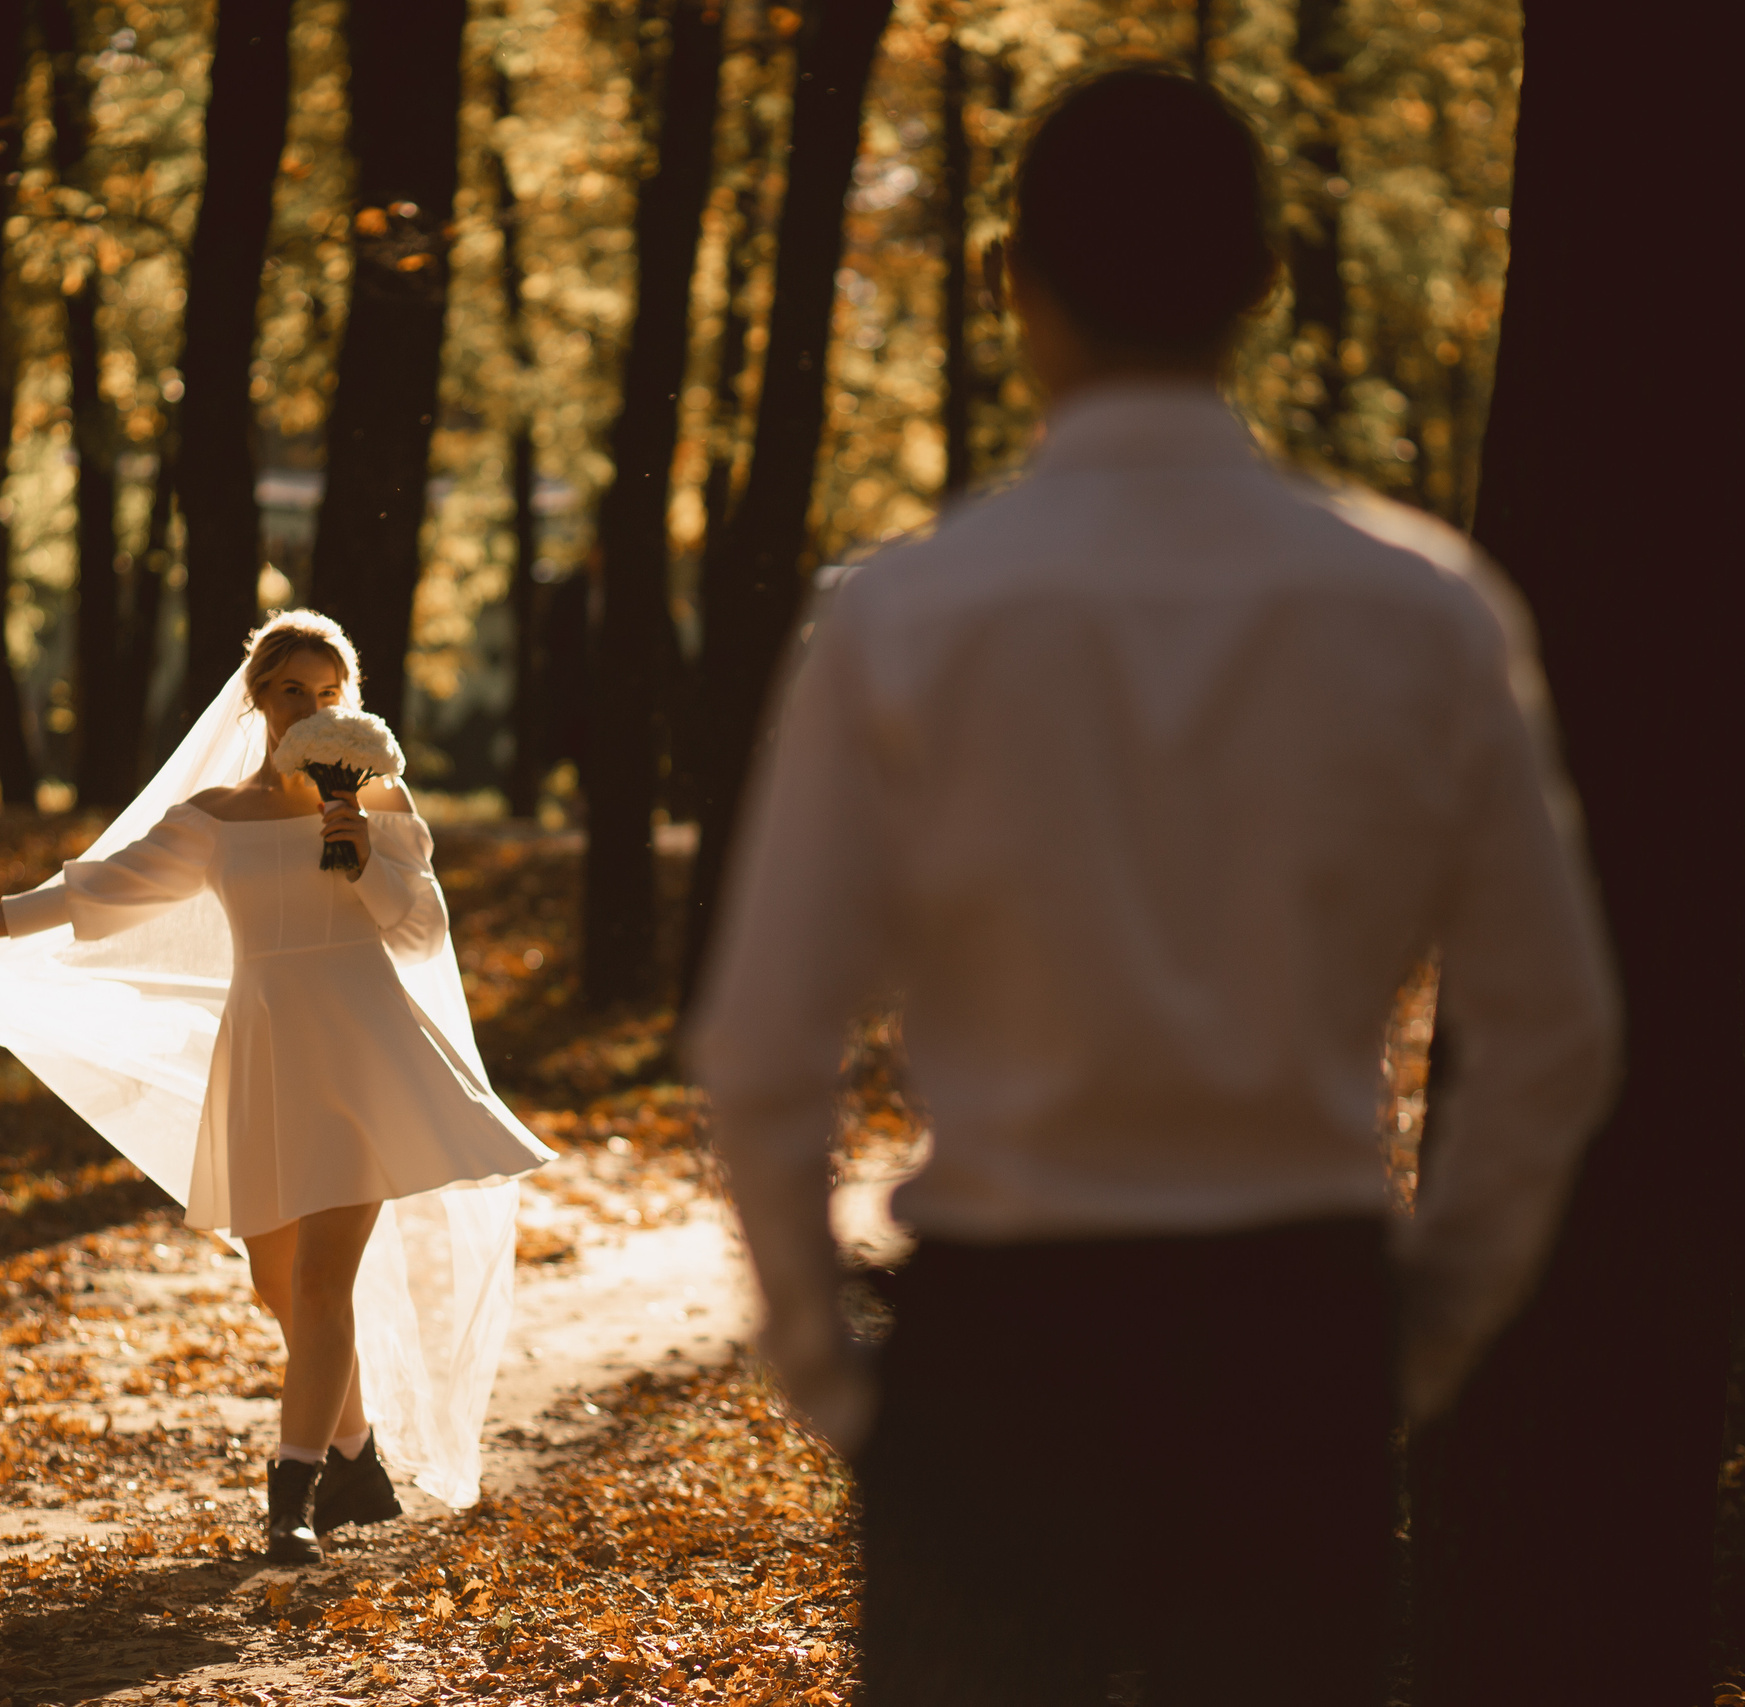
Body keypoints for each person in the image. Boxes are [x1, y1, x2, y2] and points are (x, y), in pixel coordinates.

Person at [689, 68, 1619, 1704]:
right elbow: (1551, 1028)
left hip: (1000, 1346)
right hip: (1292, 1335)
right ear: (1265, 279)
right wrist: (1427, 1326)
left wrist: (835, 1368)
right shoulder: (1426, 611)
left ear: (1008, 283)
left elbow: (767, 1046)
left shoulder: (904, 618)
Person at [0, 611, 553, 1564]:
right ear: (258, 698)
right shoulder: (215, 821)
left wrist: (365, 853)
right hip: (265, 1053)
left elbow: (419, 936)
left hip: (363, 1050)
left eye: (331, 692)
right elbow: (96, 892)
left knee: (327, 1282)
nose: (313, 707)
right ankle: (358, 1456)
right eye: (294, 689)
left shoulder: (382, 808)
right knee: (279, 1284)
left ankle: (289, 1494)